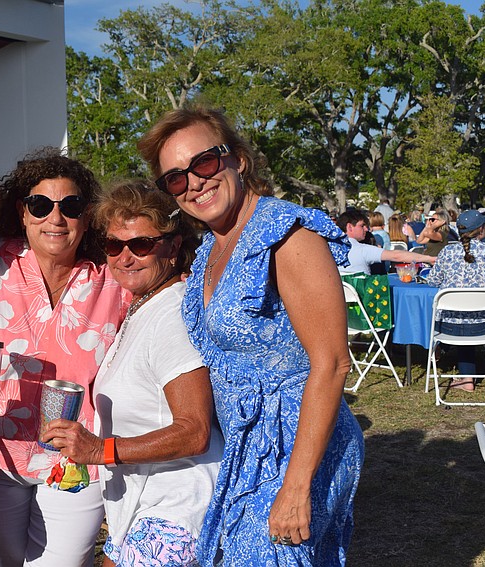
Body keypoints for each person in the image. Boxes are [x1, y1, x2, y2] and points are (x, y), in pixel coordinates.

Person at [138, 105, 364, 565]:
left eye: (204, 163)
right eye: (175, 178)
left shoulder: (286, 236)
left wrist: (297, 485)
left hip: (296, 444)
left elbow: (333, 362)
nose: (194, 182)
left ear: (238, 159)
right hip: (246, 447)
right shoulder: (211, 249)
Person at [40, 180, 223, 566]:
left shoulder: (171, 316)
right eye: (113, 245)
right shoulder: (143, 307)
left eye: (141, 245)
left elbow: (195, 431)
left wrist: (99, 450)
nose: (125, 257)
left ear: (172, 248)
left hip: (175, 508)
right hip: (139, 507)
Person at [0, 147, 127, 567]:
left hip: (75, 459)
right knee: (6, 562)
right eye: (40, 205)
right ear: (22, 212)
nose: (56, 218)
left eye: (71, 206)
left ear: (87, 215)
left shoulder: (113, 279)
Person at [427, 210, 485, 391]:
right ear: (481, 228)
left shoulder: (447, 251)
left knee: (459, 316)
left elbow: (432, 281)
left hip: (448, 326)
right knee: (471, 316)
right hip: (483, 325)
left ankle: (464, 376)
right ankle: (468, 377)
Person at [336, 210, 436, 274]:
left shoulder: (328, 249)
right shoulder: (362, 250)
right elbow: (396, 255)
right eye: (362, 226)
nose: (366, 229)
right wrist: (429, 259)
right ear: (349, 227)